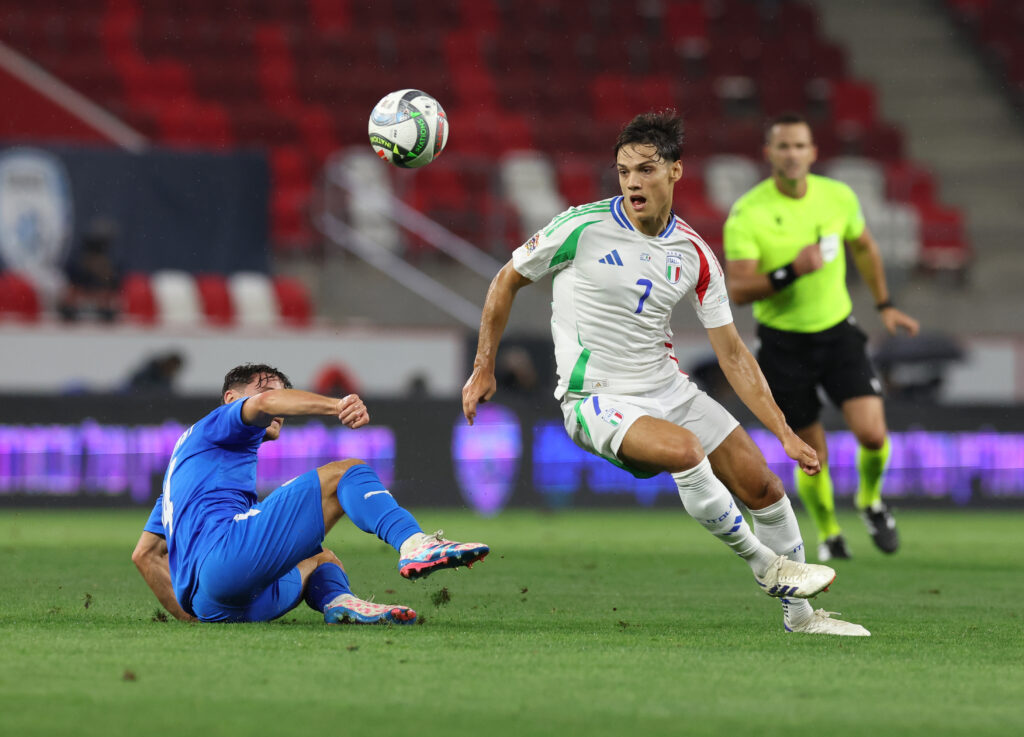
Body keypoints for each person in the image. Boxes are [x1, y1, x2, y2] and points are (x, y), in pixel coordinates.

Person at [462, 111, 869, 636]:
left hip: (668, 389)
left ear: (675, 172)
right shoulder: (580, 227)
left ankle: (802, 618)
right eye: (624, 170)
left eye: (647, 170)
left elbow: (735, 355)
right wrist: (483, 368)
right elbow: (505, 280)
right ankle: (766, 567)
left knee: (763, 485)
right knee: (685, 451)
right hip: (594, 398)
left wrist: (784, 432)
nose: (633, 181)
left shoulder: (694, 254)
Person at [132, 363, 489, 624]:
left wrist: (190, 618)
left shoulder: (188, 472)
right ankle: (414, 544)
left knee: (320, 558)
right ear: (230, 399)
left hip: (217, 605)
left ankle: (341, 603)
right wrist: (336, 405)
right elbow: (264, 405)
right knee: (346, 473)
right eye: (266, 390)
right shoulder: (216, 423)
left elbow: (145, 555)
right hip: (225, 563)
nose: (275, 402)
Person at [723, 112, 920, 562]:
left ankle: (870, 501)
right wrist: (791, 270)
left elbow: (865, 246)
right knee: (812, 454)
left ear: (813, 152)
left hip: (837, 333)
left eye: (799, 146)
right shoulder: (748, 213)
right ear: (768, 154)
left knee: (872, 434)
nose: (791, 154)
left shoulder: (838, 197)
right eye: (783, 146)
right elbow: (738, 289)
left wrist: (885, 305)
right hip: (783, 344)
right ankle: (830, 532)